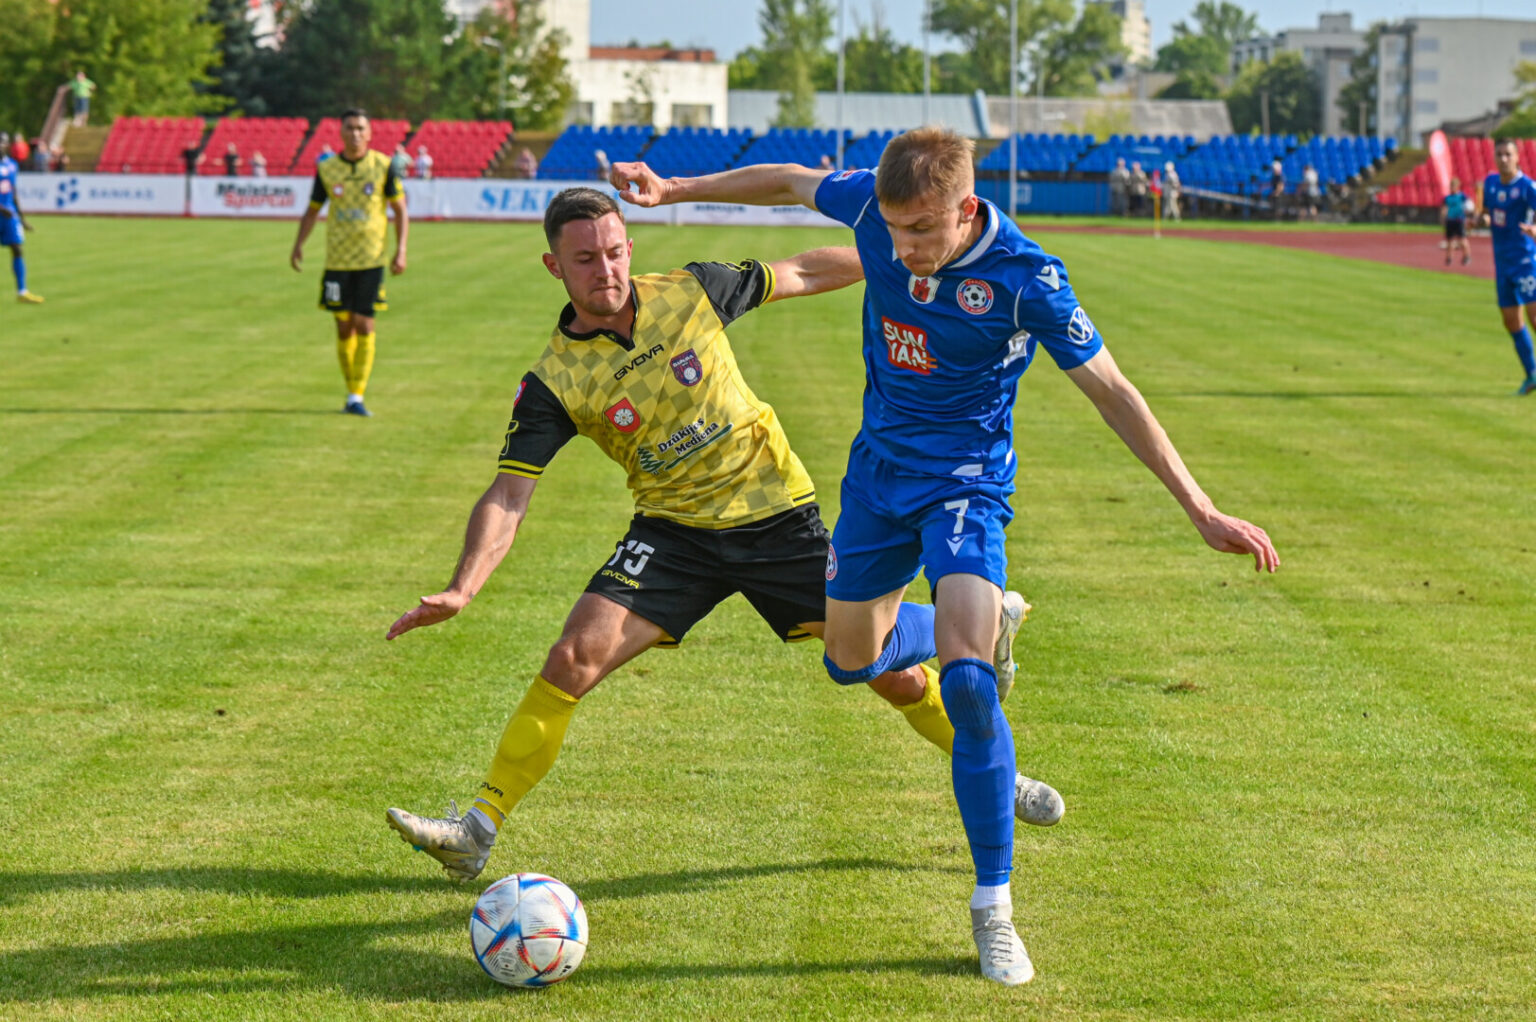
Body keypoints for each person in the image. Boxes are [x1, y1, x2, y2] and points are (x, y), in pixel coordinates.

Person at [611, 125, 1278, 987]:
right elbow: (788, 179)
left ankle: (993, 907)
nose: (904, 248)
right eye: (894, 229)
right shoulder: (874, 210)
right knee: (850, 661)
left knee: (965, 684)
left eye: (923, 229)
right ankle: (993, 617)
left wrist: (1200, 506)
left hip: (965, 486)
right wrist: (675, 189)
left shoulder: (1027, 279)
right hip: (877, 479)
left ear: (967, 208)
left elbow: (1113, 390)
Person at [383, 186, 1065, 884]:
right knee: (571, 657)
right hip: (672, 533)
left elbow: (801, 271)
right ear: (554, 266)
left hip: (775, 516)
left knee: (891, 674)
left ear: (629, 248)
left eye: (614, 252)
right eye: (585, 259)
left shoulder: (691, 291)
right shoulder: (555, 381)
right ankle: (477, 830)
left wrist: (892, 257)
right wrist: (462, 588)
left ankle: (997, 764)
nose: (605, 270)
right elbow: (508, 495)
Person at [289, 108, 408, 416]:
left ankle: (357, 394)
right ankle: (351, 390)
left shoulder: (383, 166)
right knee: (343, 327)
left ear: (369, 133)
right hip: (337, 261)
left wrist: (401, 250)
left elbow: (400, 210)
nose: (355, 133)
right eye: (350, 128)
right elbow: (313, 209)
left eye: (360, 128)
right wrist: (298, 244)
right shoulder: (327, 169)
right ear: (341, 133)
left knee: (364, 323)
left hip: (371, 259)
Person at [1475, 138, 1536, 394]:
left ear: (1517, 157)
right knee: (1511, 321)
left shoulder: (1527, 187)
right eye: (1499, 154)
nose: (1503, 159)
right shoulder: (1490, 184)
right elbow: (1488, 213)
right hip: (1502, 263)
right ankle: (1532, 375)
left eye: (1508, 154)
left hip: (1526, 261)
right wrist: (1481, 219)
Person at [0, 134, 43, 303]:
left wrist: (22, 218)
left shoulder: (12, 165)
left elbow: (13, 191)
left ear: (7, 145)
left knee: (17, 248)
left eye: (2, 142)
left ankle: (22, 291)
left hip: (9, 215)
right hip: (3, 212)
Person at [1442, 176, 1471, 267]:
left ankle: (1466, 256)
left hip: (1459, 220)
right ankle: (1449, 258)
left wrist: (1468, 215)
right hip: (1450, 220)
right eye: (1451, 186)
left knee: (1462, 240)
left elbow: (1469, 206)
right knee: (1449, 241)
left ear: (1457, 186)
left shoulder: (1462, 196)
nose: (1452, 188)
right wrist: (1443, 219)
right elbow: (1444, 209)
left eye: (1453, 186)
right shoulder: (1447, 198)